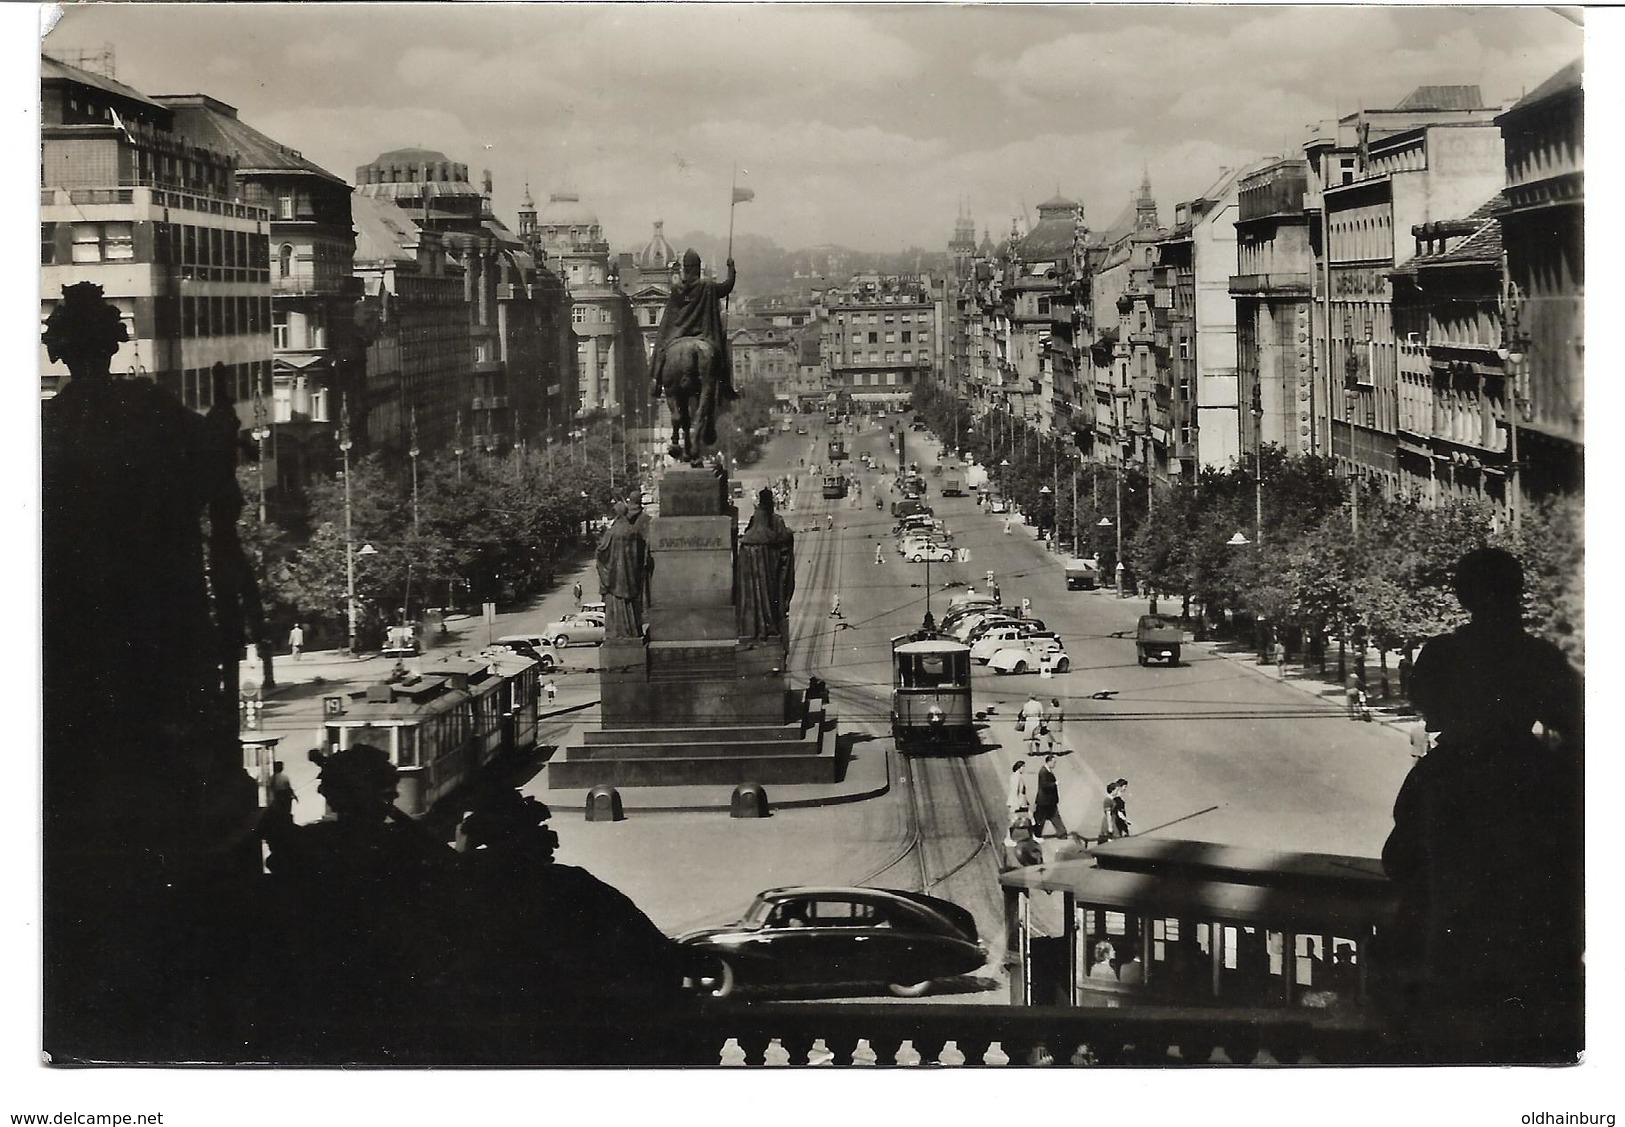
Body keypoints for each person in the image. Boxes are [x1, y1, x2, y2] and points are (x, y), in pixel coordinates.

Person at [1378, 547, 1582, 1058]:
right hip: (1538, 976)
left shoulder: (1440, 767)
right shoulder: (1540, 664)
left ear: (1463, 595)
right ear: (1517, 593)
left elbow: (1399, 860)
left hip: (1454, 976)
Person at [648, 249, 738, 401]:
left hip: (678, 332)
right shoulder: (707, 286)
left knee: (661, 345)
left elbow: (669, 318)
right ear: (697, 268)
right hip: (703, 334)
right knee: (723, 351)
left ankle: (656, 380)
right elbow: (727, 287)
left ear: (685, 269)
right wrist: (731, 269)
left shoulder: (677, 289)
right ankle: (725, 385)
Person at [736, 488, 797, 640]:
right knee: (771, 597)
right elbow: (784, 544)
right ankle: (769, 624)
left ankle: (753, 627)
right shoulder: (776, 520)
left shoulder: (754, 520)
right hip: (769, 570)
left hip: (752, 569)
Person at [594, 492, 653, 641]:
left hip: (615, 577)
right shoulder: (632, 531)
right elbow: (641, 554)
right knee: (631, 604)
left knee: (616, 603)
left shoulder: (611, 532)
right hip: (631, 575)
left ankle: (619, 631)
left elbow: (601, 552)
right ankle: (632, 629)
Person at [1031, 754, 1067, 838]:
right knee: (1041, 818)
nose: (1055, 764)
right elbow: (1044, 785)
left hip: (1049, 801)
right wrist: (1055, 784)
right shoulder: (1043, 772)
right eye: (1054, 762)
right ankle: (1036, 834)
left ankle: (1062, 833)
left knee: (1054, 816)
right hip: (1044, 801)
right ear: (1049, 762)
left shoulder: (1047, 771)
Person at [268, 760, 296, 825]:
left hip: (278, 796)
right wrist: (293, 795)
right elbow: (288, 787)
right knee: (286, 811)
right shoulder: (284, 777)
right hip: (285, 796)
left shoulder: (272, 778)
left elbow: (271, 788)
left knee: (279, 811)